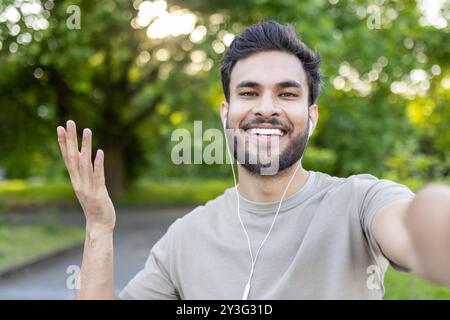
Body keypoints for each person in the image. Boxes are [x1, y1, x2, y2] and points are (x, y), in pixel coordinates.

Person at [56, 21, 450, 300]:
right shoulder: (185, 238)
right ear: (225, 113)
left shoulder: (360, 203)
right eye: (248, 93)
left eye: (287, 94)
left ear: (311, 117)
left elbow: (416, 231)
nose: (266, 108)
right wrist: (98, 227)